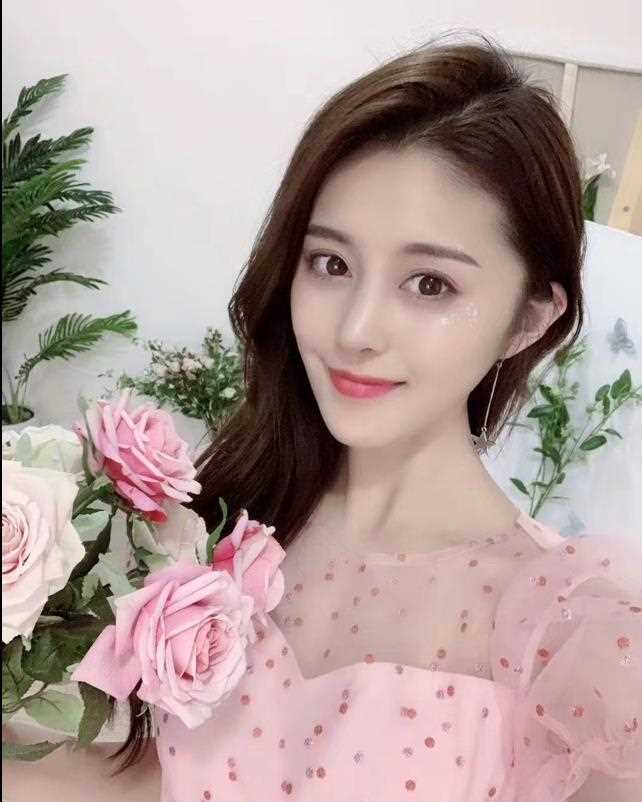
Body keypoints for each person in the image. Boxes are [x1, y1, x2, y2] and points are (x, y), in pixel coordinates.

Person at [5, 29, 640, 802]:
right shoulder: (221, 524)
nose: (355, 331)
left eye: (430, 284)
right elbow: (162, 779)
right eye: (331, 264)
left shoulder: (576, 636)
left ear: (529, 319)